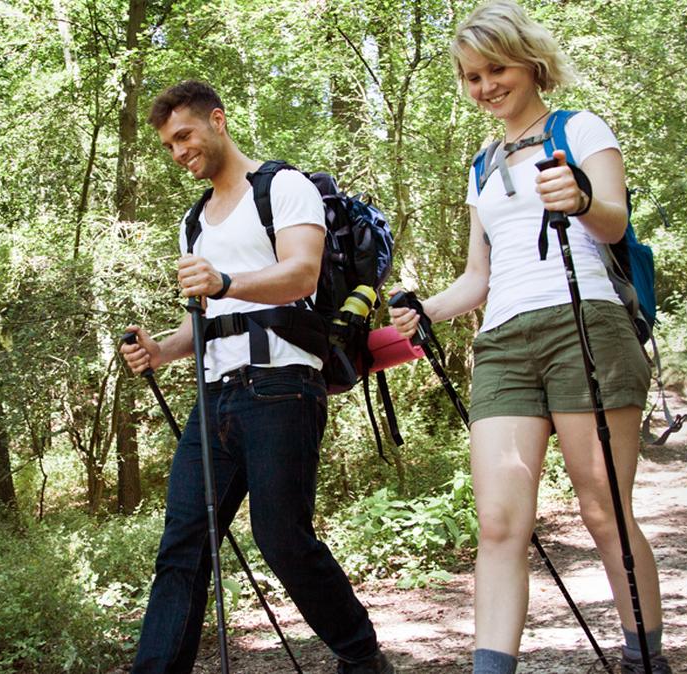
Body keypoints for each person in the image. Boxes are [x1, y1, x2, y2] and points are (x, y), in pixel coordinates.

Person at [388, 3, 671, 673]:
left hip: (585, 326)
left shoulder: (579, 128)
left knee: (602, 511)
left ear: (529, 63)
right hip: (504, 344)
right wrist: (423, 307)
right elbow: (477, 276)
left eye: (494, 70)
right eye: (469, 76)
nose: (483, 86)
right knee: (498, 523)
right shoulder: (481, 165)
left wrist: (577, 198)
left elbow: (610, 222)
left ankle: (644, 661)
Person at [119, 80, 394, 674]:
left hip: (282, 387)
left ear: (217, 121)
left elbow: (299, 275)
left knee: (280, 536)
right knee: (183, 549)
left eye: (185, 136)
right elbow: (209, 317)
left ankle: (360, 655)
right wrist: (160, 350)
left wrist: (225, 283)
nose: (178, 153)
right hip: (213, 396)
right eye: (169, 145)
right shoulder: (194, 222)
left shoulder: (282, 187)